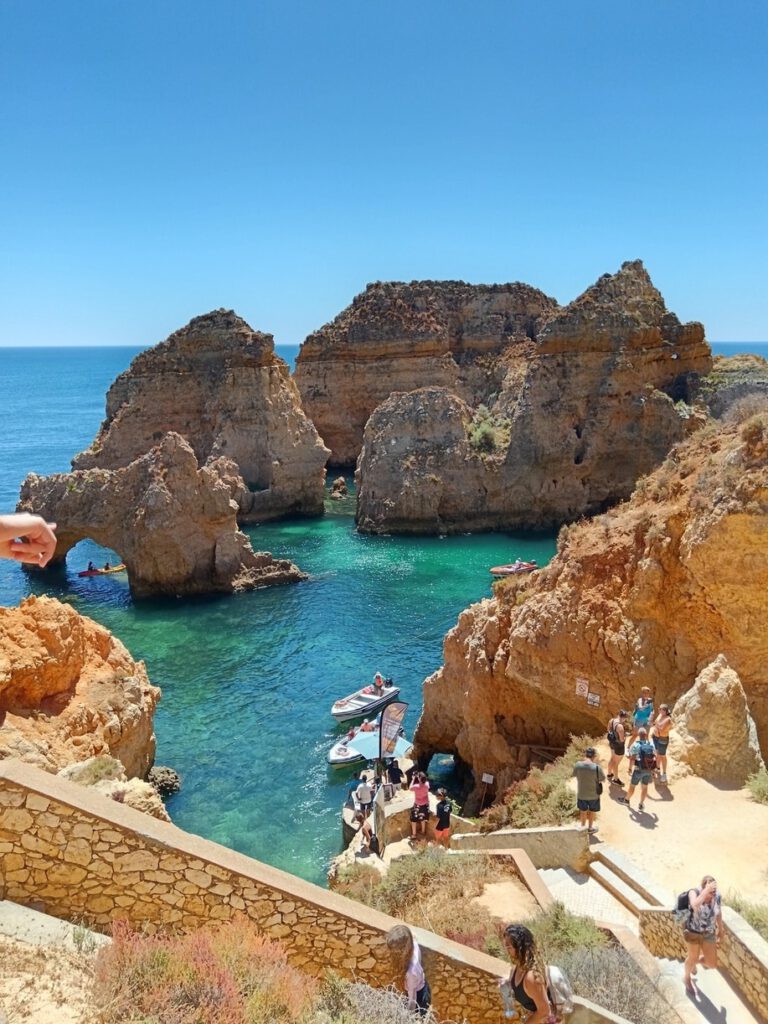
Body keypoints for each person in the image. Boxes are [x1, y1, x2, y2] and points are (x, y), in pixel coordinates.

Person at [500, 924, 552, 1023]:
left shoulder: (531, 977)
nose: (506, 950)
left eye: (509, 946)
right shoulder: (517, 967)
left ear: (520, 948)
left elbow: (545, 1011)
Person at [683, 876, 723, 995]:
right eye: (710, 892)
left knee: (712, 963)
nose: (712, 895)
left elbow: (719, 912)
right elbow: (695, 906)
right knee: (692, 957)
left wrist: (721, 929)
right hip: (693, 932)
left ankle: (693, 963)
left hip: (709, 933)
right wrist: (706, 892)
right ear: (703, 887)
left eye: (713, 892)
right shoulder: (694, 892)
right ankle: (686, 978)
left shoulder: (717, 896)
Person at [386, 924, 431, 1016]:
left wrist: (408, 1017)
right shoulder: (413, 945)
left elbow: (412, 1000)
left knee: (418, 1017)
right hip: (416, 986)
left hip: (419, 996)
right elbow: (412, 937)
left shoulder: (411, 973)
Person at [619, 727, 655, 811]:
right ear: (646, 735)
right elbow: (654, 757)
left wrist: (630, 768)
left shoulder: (636, 745)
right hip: (648, 770)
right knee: (645, 787)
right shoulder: (651, 744)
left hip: (639, 769)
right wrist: (654, 770)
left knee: (632, 786)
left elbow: (632, 758)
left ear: (639, 735)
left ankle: (626, 800)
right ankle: (641, 804)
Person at [572, 746, 606, 834]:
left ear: (585, 755)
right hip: (594, 795)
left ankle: (583, 827)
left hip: (582, 794)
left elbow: (574, 774)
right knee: (592, 811)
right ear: (594, 756)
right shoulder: (597, 768)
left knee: (583, 812)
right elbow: (603, 779)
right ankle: (590, 828)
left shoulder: (578, 765)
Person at [651, 704, 673, 784]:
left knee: (663, 756)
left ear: (665, 711)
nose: (658, 710)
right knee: (657, 753)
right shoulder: (660, 715)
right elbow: (656, 724)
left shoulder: (668, 719)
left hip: (662, 739)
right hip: (656, 738)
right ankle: (657, 768)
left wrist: (655, 725)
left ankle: (664, 774)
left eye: (660, 709)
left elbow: (661, 728)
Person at [606, 709, 629, 786]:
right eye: (625, 718)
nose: (625, 720)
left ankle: (609, 774)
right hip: (619, 746)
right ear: (623, 717)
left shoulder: (611, 721)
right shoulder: (620, 727)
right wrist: (625, 736)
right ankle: (616, 779)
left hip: (612, 743)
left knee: (612, 758)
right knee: (616, 763)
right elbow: (622, 739)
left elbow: (608, 730)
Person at [409, 771, 430, 841]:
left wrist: (413, 779)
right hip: (425, 804)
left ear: (419, 778)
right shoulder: (427, 784)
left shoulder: (416, 786)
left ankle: (414, 834)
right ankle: (423, 832)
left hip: (417, 804)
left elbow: (410, 788)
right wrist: (419, 778)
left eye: (418, 777)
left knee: (413, 819)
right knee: (423, 818)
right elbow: (425, 784)